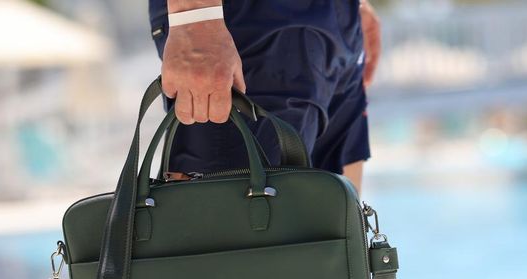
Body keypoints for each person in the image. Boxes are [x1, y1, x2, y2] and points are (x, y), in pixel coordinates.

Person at [147, 0, 381, 192]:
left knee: (336, 232)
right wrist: (193, 16)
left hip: (326, 21)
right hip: (241, 23)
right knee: (235, 234)